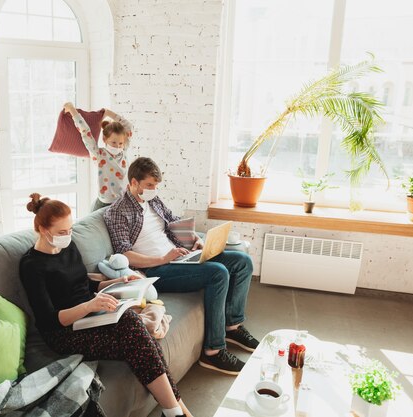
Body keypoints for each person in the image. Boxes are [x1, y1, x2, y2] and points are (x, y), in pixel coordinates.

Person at [19, 193, 192, 417]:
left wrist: (117, 282)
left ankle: (175, 411)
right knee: (136, 332)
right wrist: (89, 306)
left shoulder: (68, 248)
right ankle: (178, 411)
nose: (68, 236)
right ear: (43, 229)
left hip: (91, 315)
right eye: (62, 232)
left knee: (135, 331)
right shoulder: (31, 265)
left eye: (70, 230)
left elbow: (83, 285)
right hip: (64, 332)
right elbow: (49, 320)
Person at [103, 157, 259, 375]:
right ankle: (213, 352)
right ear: (133, 182)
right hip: (156, 270)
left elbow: (173, 221)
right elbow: (125, 254)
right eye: (149, 185)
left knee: (242, 262)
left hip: (177, 258)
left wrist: (194, 240)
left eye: (156, 186)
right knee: (218, 273)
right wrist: (163, 259)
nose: (153, 190)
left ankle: (231, 327)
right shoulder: (118, 211)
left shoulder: (153, 200)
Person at [63, 102, 132, 211]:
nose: (117, 146)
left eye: (120, 143)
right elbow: (85, 132)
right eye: (113, 142)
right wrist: (72, 110)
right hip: (104, 203)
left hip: (123, 202)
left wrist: (109, 113)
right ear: (105, 140)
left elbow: (128, 126)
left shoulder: (123, 151)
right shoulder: (99, 155)